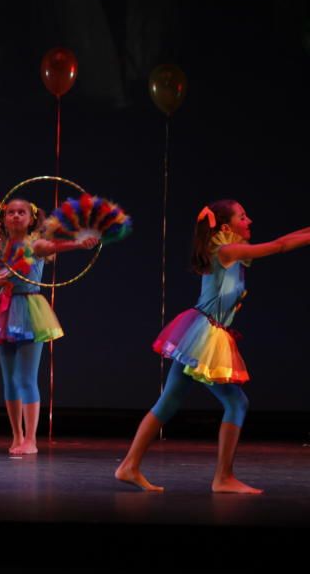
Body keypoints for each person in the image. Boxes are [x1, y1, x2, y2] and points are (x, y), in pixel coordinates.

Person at [116, 200, 310, 493]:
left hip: (200, 332)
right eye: (242, 217)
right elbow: (280, 246)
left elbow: (284, 240)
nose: (249, 221)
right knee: (236, 402)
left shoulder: (227, 251)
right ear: (225, 226)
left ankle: (129, 466)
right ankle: (223, 478)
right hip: (205, 334)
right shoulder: (227, 251)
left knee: (169, 401)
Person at [0, 198, 97, 454]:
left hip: (29, 311)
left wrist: (79, 243)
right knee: (9, 380)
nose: (16, 216)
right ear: (3, 218)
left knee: (25, 377)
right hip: (1, 311)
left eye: (21, 213)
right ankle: (16, 436)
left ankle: (31, 439)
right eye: (11, 213)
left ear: (31, 219)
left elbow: (56, 245)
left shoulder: (35, 244)